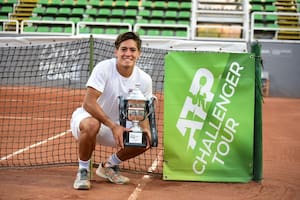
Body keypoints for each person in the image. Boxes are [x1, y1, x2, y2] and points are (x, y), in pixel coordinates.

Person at [70, 31, 153, 190]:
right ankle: (83, 170)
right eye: (123, 49)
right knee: (91, 124)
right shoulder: (104, 68)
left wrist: (146, 129)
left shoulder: (144, 79)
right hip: (89, 120)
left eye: (132, 50)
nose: (128, 53)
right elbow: (88, 103)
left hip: (118, 129)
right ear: (116, 51)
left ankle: (108, 166)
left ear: (139, 53)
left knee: (146, 139)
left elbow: (141, 110)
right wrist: (113, 126)